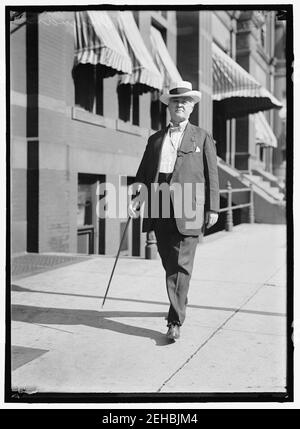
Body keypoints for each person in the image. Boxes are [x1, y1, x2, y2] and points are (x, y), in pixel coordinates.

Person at [128, 81, 219, 341]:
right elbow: (143, 173)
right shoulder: (155, 139)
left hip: (189, 203)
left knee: (181, 265)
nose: (180, 105)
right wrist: (136, 198)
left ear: (192, 107)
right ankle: (179, 299)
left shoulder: (202, 136)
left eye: (186, 101)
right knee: (170, 263)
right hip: (159, 203)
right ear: (168, 106)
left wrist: (213, 207)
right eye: (176, 101)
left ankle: (174, 321)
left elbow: (212, 174)